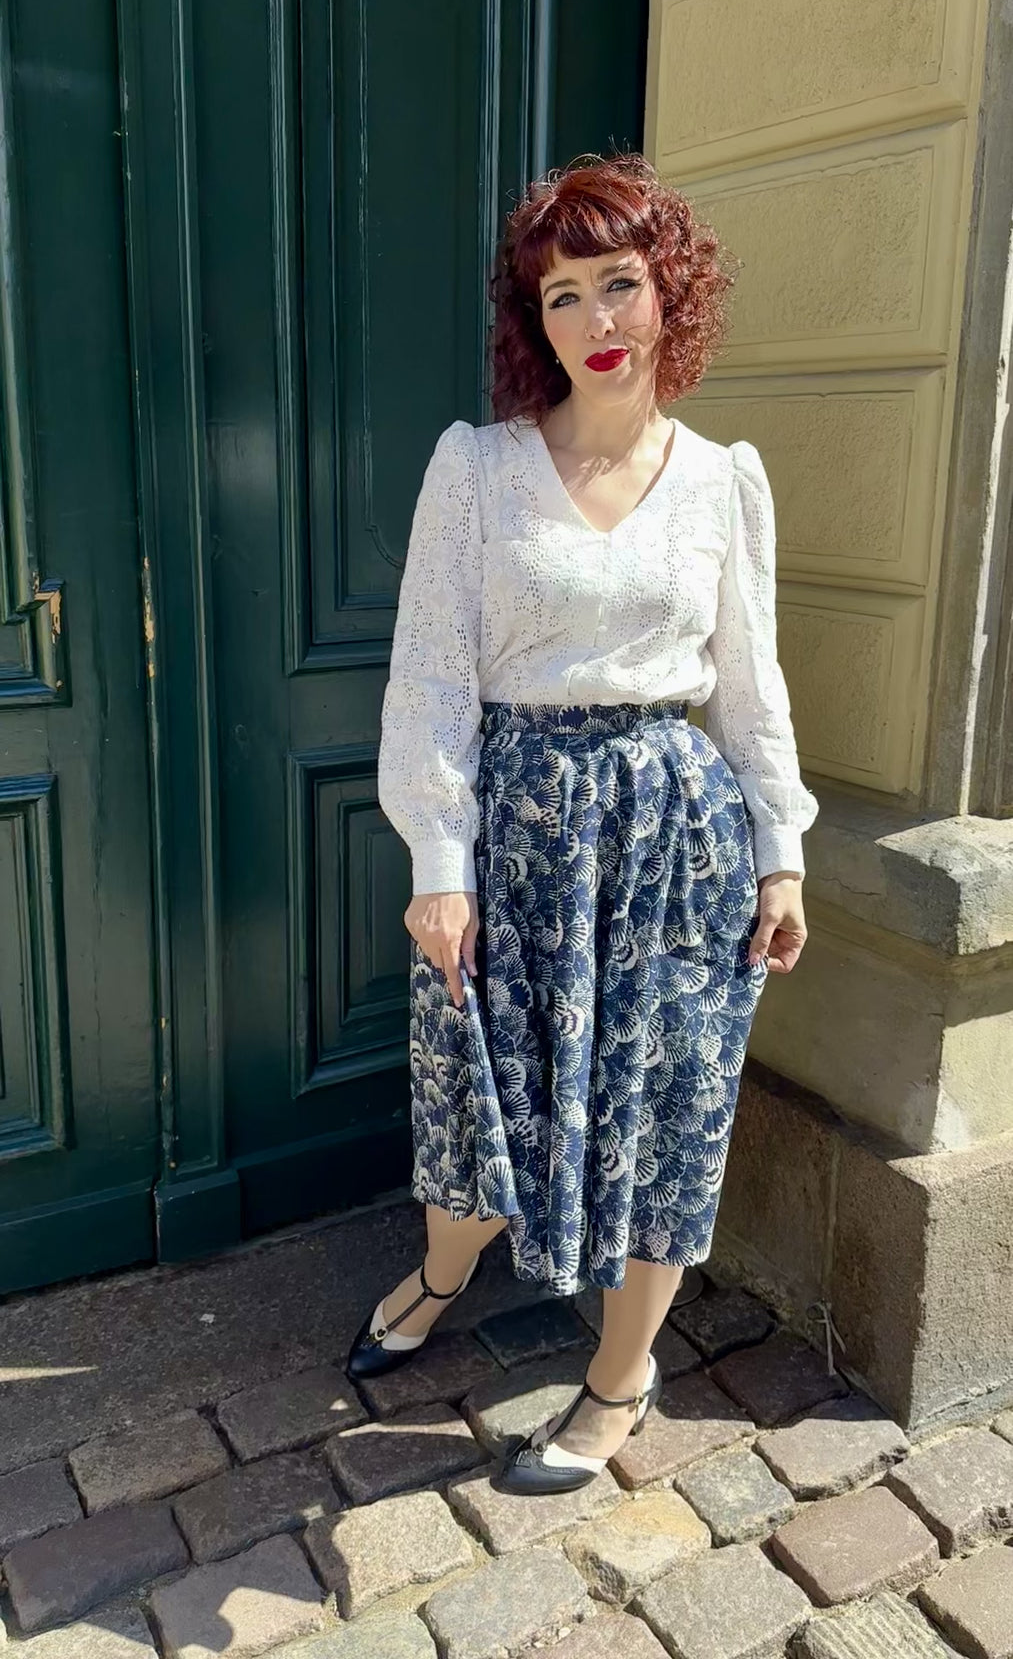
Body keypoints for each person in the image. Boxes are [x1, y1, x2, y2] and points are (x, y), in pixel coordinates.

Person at [346, 152, 819, 1495]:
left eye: (619, 283)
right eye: (563, 296)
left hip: (676, 840)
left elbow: (749, 683)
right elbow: (430, 674)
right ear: (534, 322)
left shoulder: (723, 480)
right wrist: (440, 862)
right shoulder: (478, 468)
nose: (597, 320)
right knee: (476, 1094)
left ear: (671, 292)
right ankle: (445, 1271)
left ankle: (620, 1377)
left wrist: (780, 853)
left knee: (666, 1110)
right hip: (515, 831)